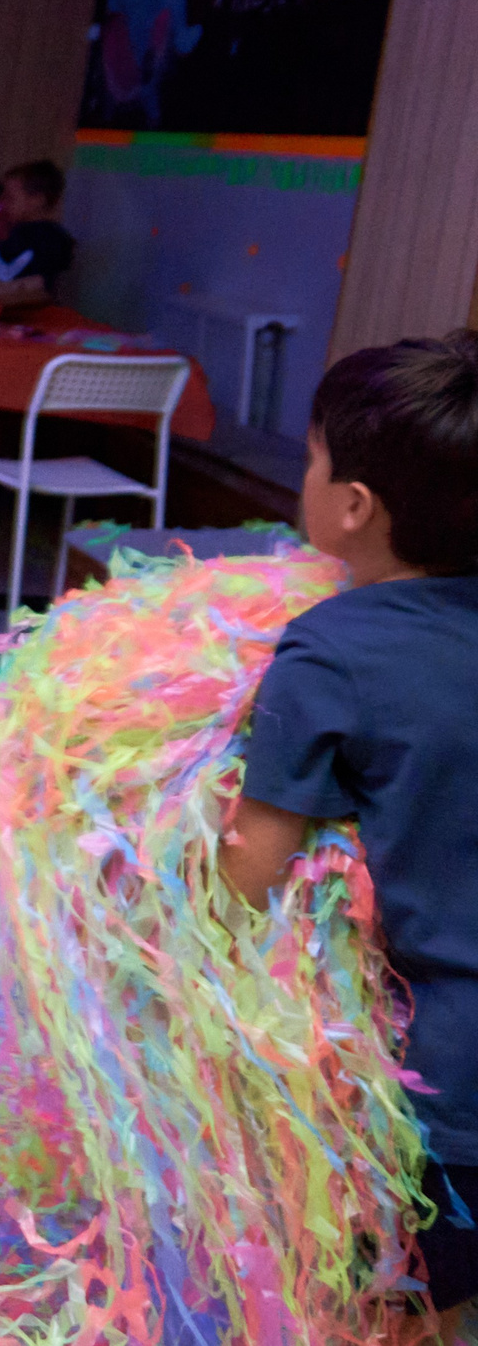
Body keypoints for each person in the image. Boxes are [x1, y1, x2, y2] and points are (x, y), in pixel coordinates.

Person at [220, 331, 478, 1327]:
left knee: (379, 1312)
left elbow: (250, 865)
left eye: (312, 455)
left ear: (353, 505)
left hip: (448, 1089)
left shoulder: (330, 650)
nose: (306, 472)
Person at [0, 159, 75, 304]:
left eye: (10, 198)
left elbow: (6, 279)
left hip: (32, 316)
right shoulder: (21, 232)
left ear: (37, 201)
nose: (3, 204)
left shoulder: (45, 238)